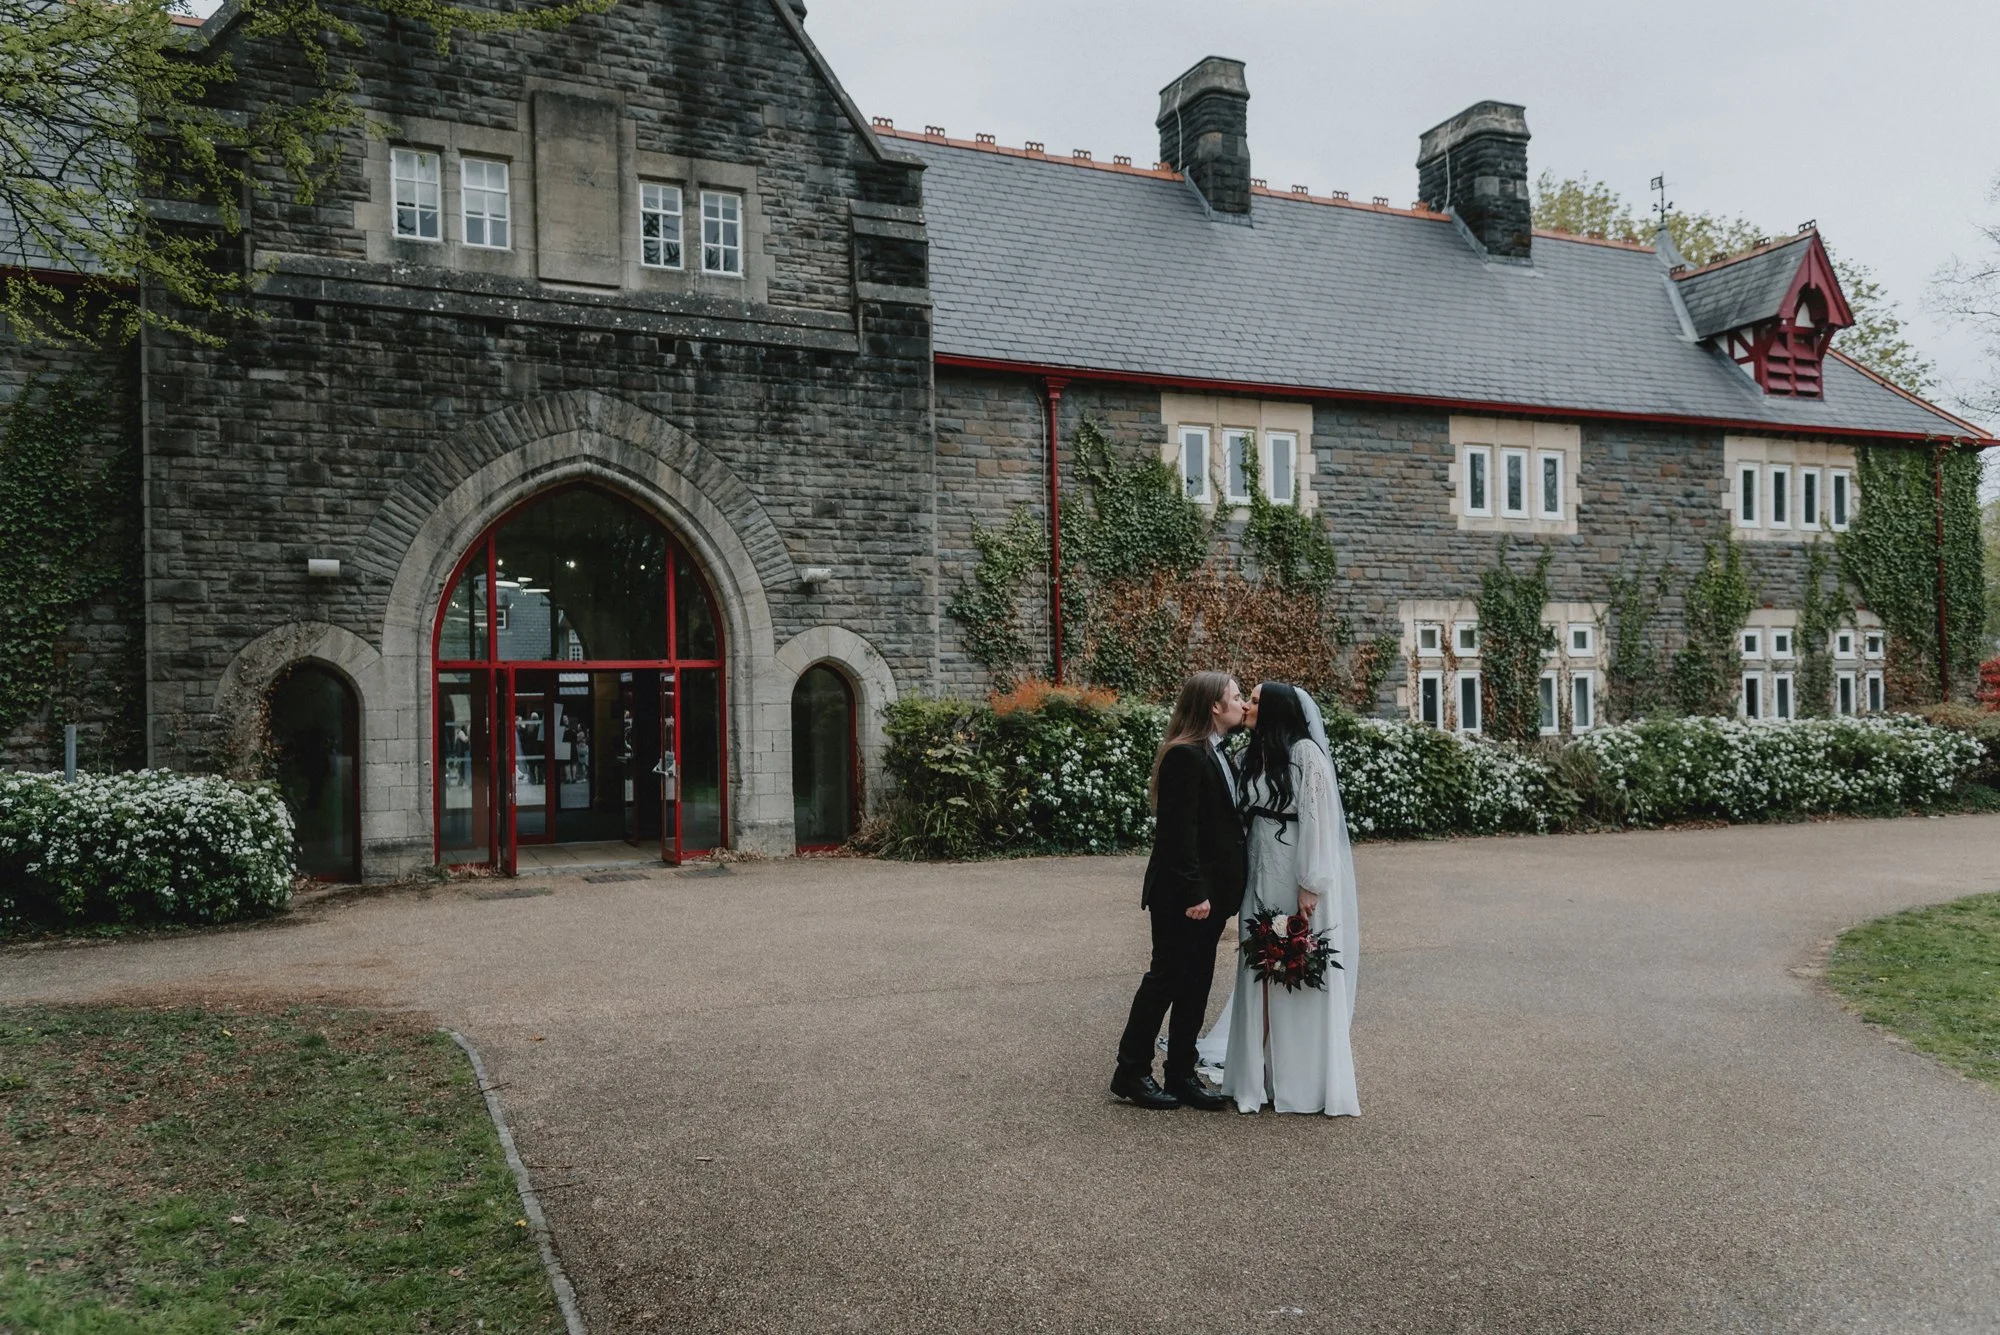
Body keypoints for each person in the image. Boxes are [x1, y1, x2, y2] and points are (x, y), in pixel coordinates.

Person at [1222, 682, 1360, 1117]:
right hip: (1258, 868)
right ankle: (1255, 1076)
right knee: (1257, 966)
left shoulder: (1305, 755)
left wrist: (1310, 882)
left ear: (1277, 709)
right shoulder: (1252, 755)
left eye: (1257, 700)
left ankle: (1300, 1078)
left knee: (1291, 964)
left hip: (1293, 870)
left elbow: (1319, 821)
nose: (1247, 704)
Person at [1111, 671, 1247, 1111]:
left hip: (1211, 897)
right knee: (1165, 979)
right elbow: (1177, 834)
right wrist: (1194, 893)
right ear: (1213, 706)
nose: (1242, 703)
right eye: (1236, 696)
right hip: (1183, 897)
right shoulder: (1185, 756)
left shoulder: (1219, 753)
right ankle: (1131, 1070)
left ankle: (1182, 1073)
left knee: (1196, 984)